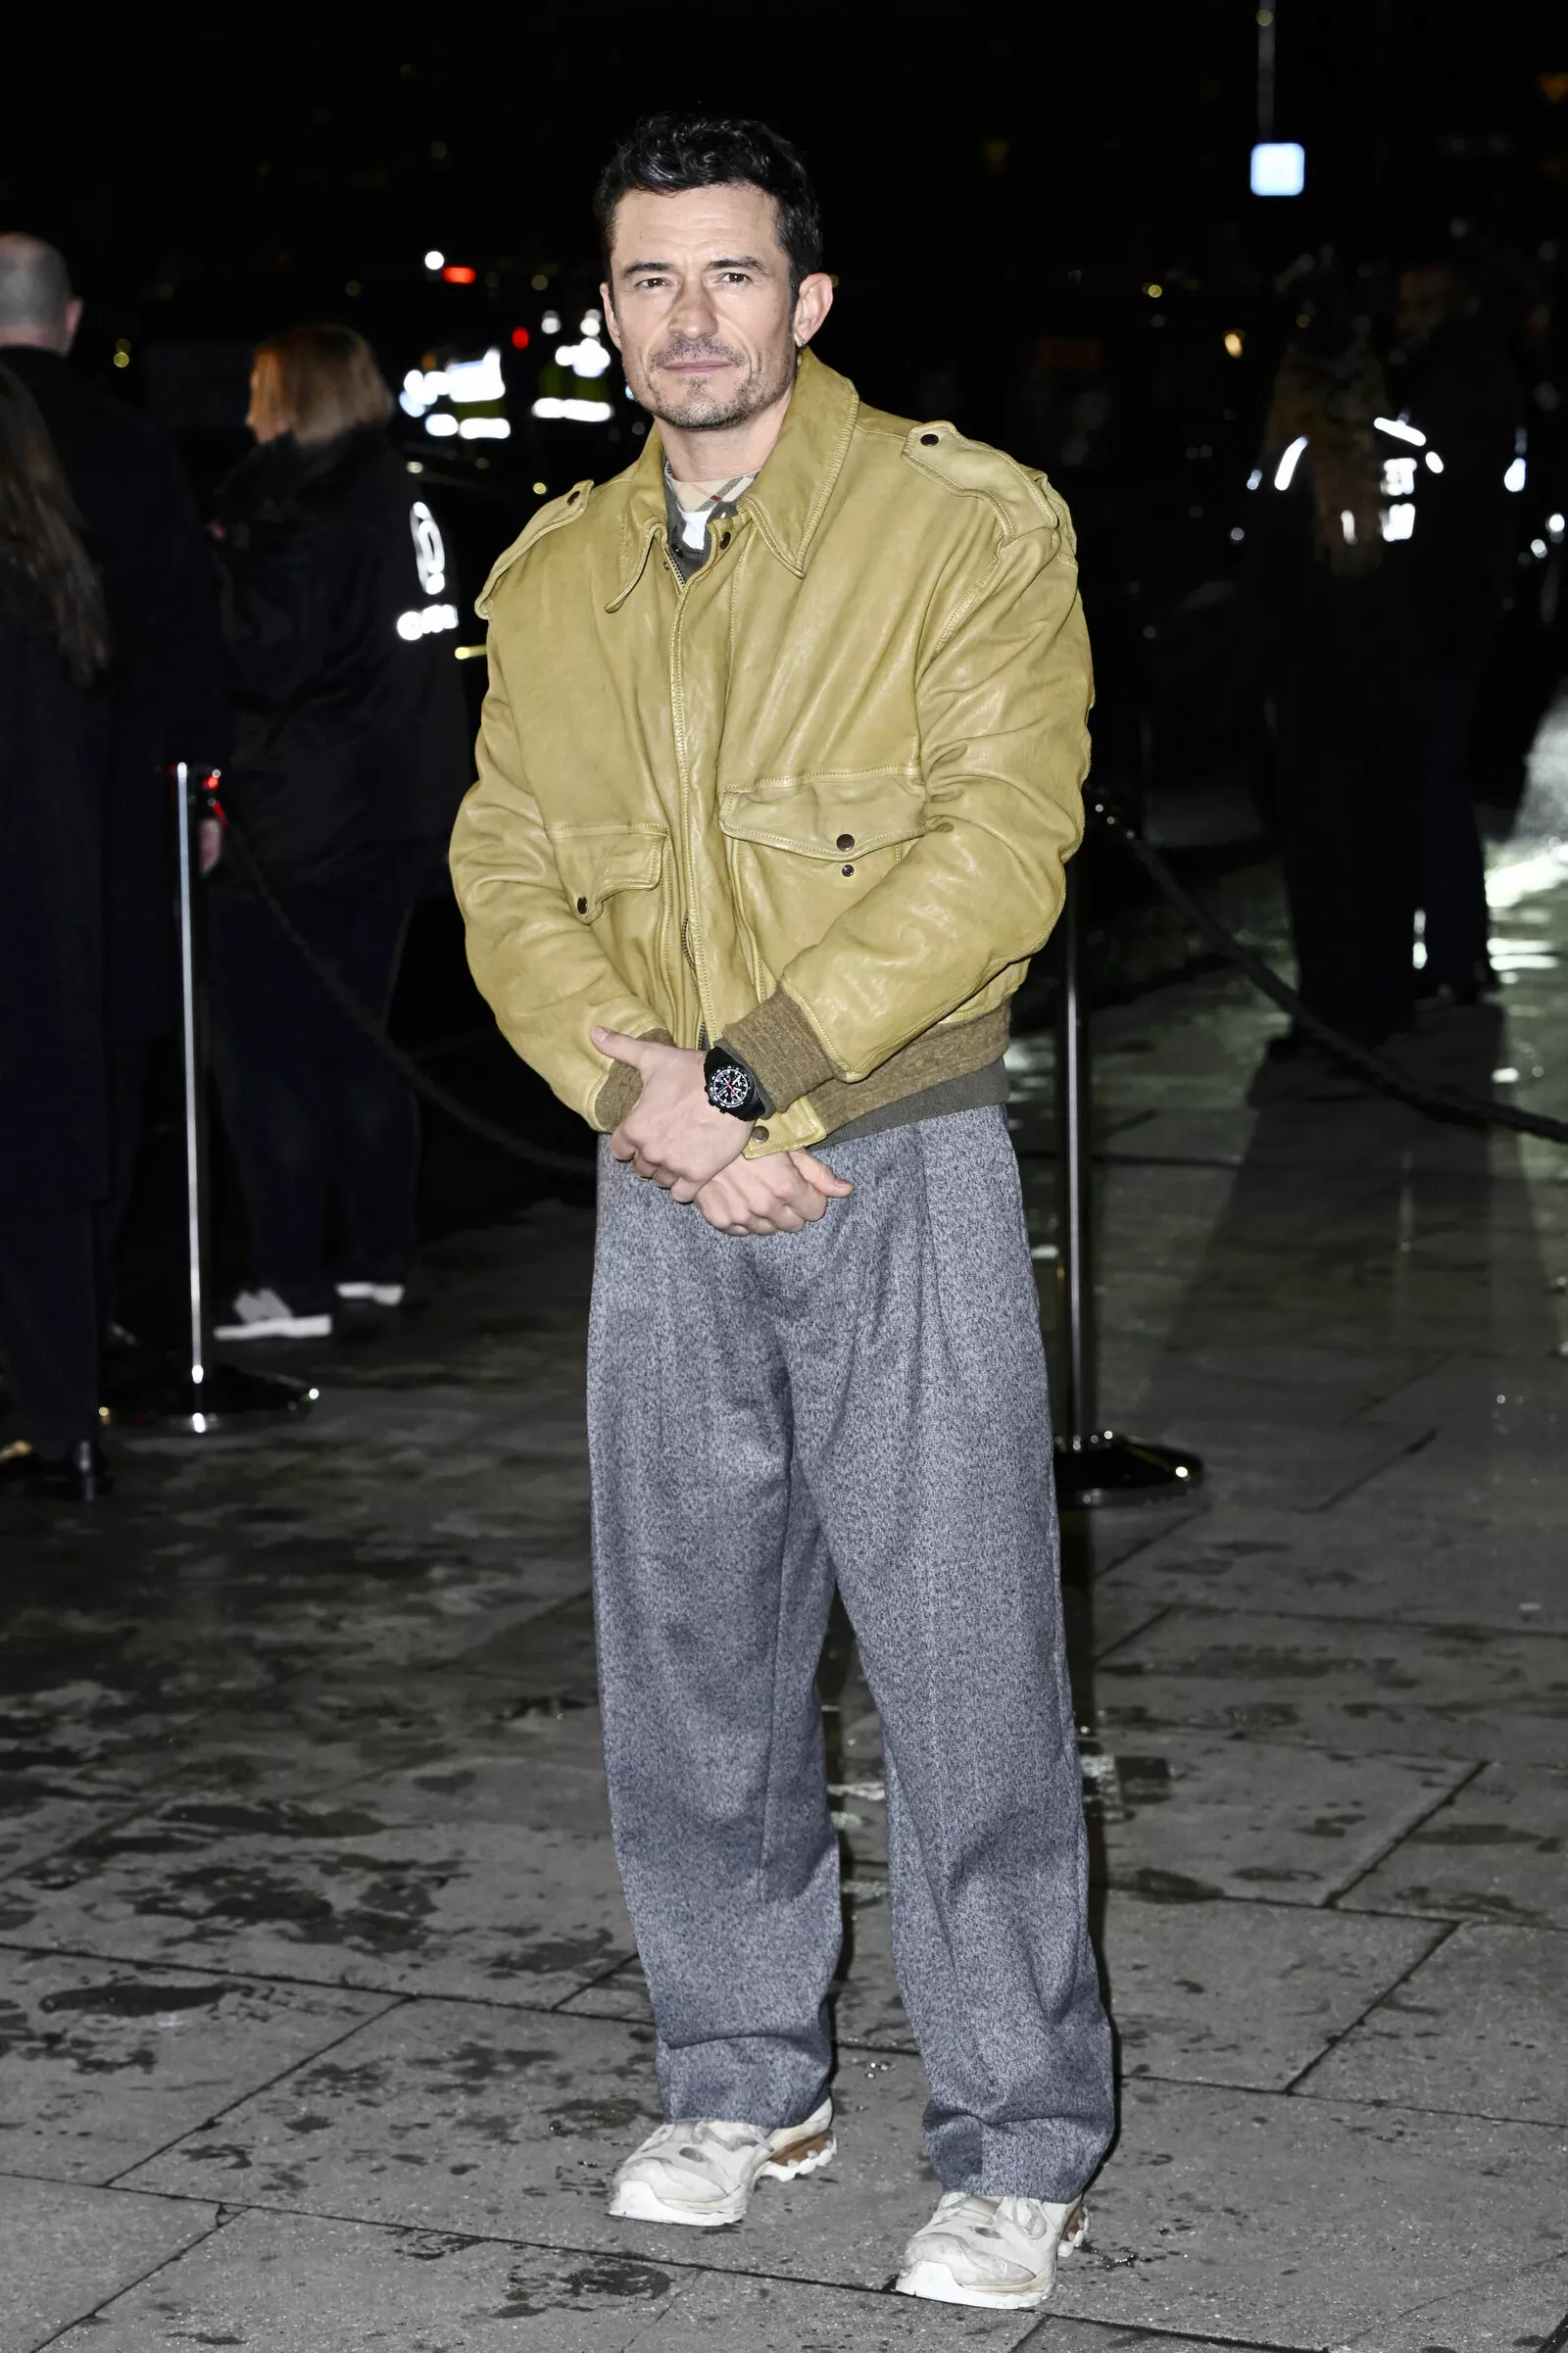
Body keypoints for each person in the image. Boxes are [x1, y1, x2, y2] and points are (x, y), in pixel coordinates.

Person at [451, 116, 1112, 2313]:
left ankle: (1018, 2139)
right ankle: (743, 2075)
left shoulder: (959, 524)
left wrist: (743, 1078)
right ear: (607, 311)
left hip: (885, 1153)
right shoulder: (554, 573)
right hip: (664, 1173)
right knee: (689, 1663)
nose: (690, 317)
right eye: (649, 279)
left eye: (731, 274)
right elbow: (503, 871)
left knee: (964, 1662)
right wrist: (649, 1100)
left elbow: (1000, 846)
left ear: (808, 299)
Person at [207, 324, 469, 1342]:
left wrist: (221, 556)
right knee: (361, 1041)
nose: (247, 415)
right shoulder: (397, 490)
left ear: (292, 399)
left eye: (258, 393)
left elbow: (263, 658)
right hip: (395, 810)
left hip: (303, 821)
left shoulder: (305, 511)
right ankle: (380, 1260)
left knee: (266, 1053)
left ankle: (290, 1280)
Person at [0, 234, 229, 1350]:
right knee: (113, 1056)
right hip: (126, 806)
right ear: (74, 318)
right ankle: (83, 1320)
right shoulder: (132, 448)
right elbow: (189, 639)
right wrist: (202, 791)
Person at [1249, 315, 1434, 1065]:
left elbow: (1264, 592)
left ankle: (1331, 1015)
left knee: (1324, 864)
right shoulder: (1415, 454)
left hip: (1317, 699)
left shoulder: (1291, 465)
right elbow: (1448, 572)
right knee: (1392, 848)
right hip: (1402, 690)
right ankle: (1390, 1000)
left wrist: (1261, 690)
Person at [0, 364, 114, 1499]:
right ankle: (64, 1428)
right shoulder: (54, 575)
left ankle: (58, 1429)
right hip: (52, 918)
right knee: (39, 1200)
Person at [1393, 262, 1523, 1003]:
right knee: (1438, 783)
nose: (1408, 317)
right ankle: (1458, 948)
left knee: (1434, 782)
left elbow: (1447, 500)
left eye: (1421, 304)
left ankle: (1454, 951)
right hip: (1459, 604)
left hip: (1444, 609)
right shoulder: (1472, 374)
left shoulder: (1454, 380)